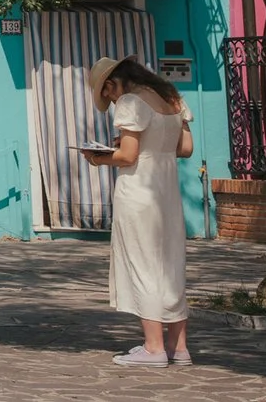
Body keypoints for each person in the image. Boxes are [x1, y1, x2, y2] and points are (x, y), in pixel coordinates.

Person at [82, 55, 194, 366]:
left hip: (138, 193)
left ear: (111, 84)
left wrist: (97, 158)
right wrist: (151, 143)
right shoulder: (171, 97)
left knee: (144, 264)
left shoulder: (130, 102)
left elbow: (128, 156)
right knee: (171, 264)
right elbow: (185, 148)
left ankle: (154, 348)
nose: (111, 99)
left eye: (108, 94)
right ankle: (179, 348)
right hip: (167, 193)